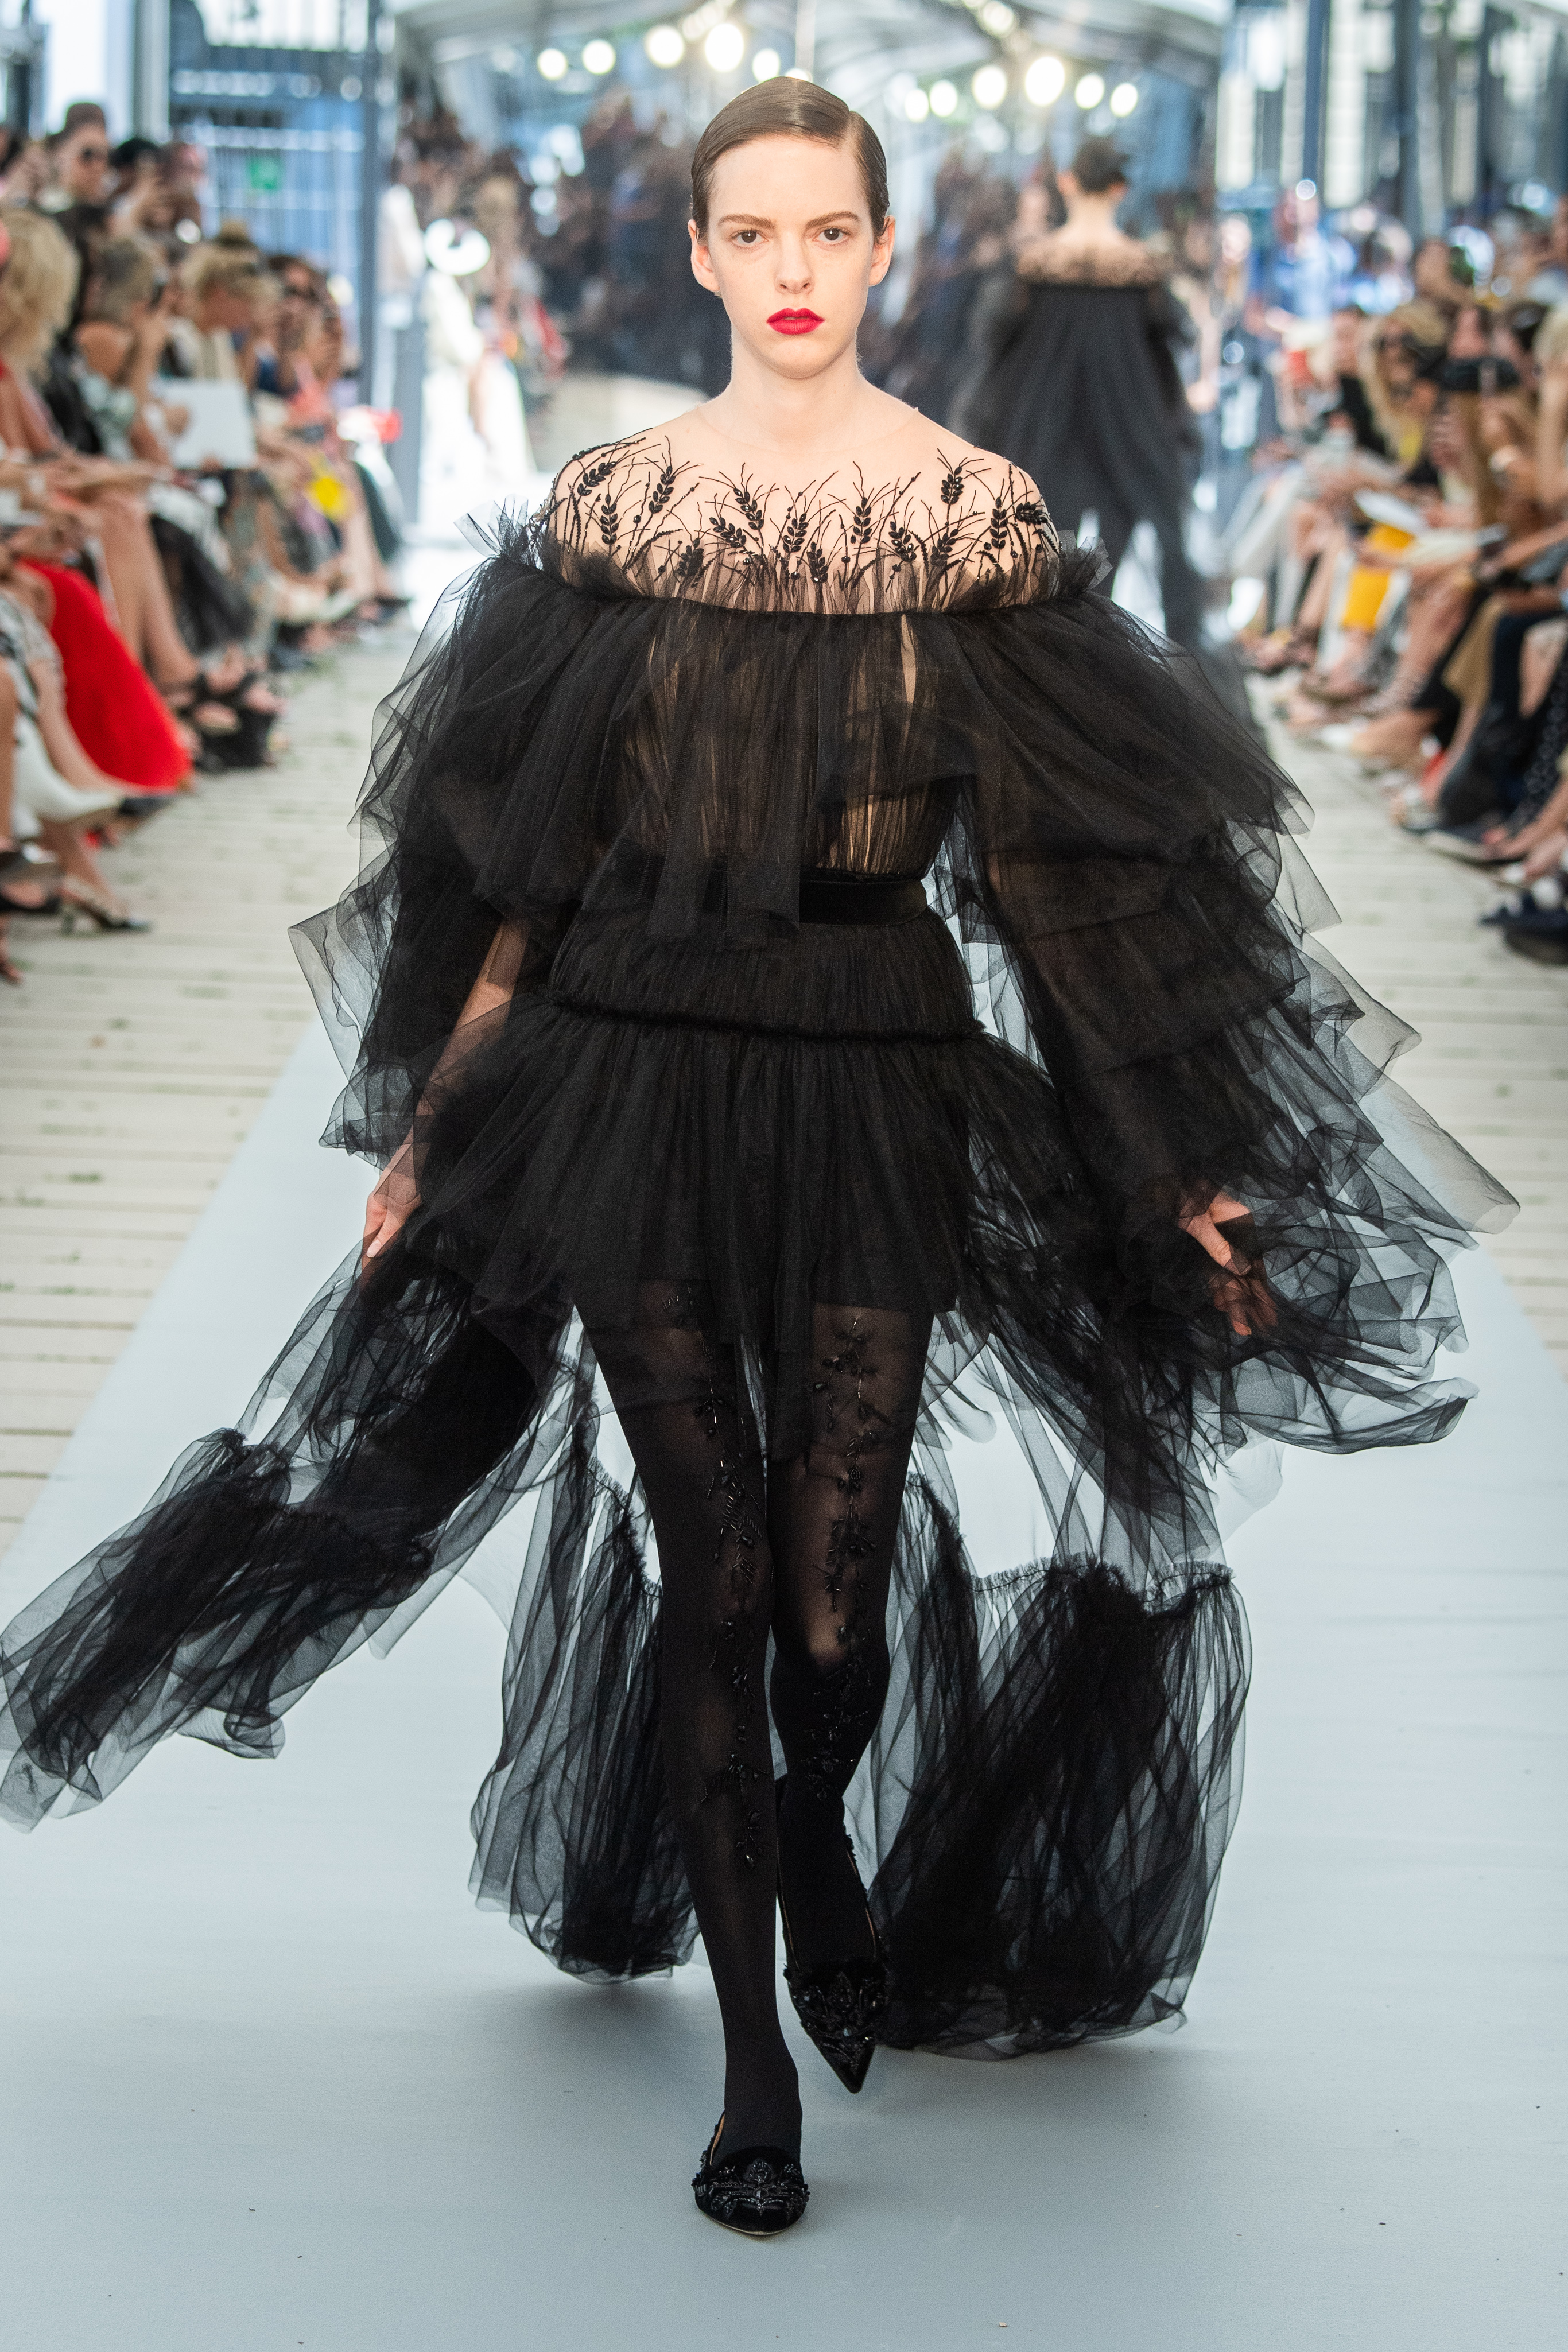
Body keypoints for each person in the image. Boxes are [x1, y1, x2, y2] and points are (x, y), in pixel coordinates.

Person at [0, 82, 1513, 2240]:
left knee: (827, 1603)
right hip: (627, 1065)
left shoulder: (975, 522)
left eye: (827, 229)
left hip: (876, 1061)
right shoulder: (616, 514)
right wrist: (435, 1118)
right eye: (753, 231)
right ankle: (746, 2063)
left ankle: (815, 1821)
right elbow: (520, 871)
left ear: (880, 247)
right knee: (711, 1561)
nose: (791, 269)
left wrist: (1178, 1150)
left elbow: (1069, 883)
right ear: (703, 252)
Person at [970, 137, 1208, 647]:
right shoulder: (1142, 270)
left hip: (1045, 433)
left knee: (1040, 569)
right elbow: (1165, 359)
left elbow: (999, 353)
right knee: (1106, 577)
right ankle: (1096, 669)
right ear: (1121, 189)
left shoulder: (1036, 266)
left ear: (1067, 183)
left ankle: (1041, 675)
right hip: (1127, 437)